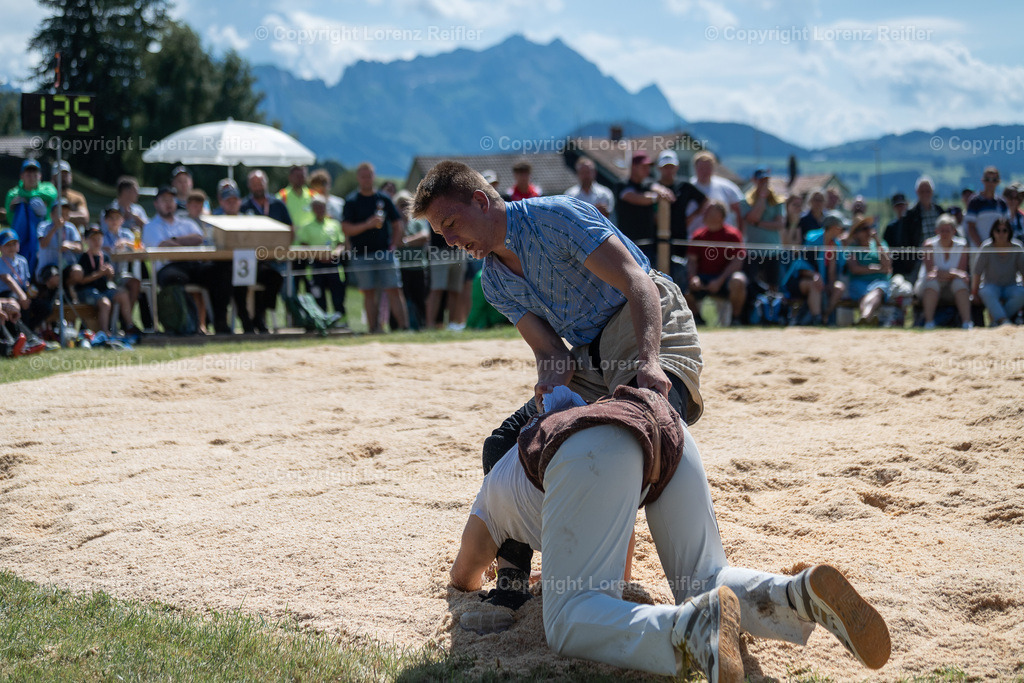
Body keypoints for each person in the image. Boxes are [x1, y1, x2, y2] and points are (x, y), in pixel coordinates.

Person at [450, 385, 891, 680]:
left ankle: (687, 627)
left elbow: (464, 575)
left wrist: (472, 585)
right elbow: (619, 563)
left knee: (567, 620)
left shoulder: (491, 494)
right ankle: (796, 594)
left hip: (594, 450)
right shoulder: (539, 449)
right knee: (704, 577)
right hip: (663, 424)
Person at [413, 160, 704, 607]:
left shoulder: (556, 217)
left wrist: (649, 360)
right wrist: (547, 391)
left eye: (451, 224)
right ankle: (512, 580)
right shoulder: (493, 281)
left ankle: (657, 575)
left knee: (639, 428)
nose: (450, 240)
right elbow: (553, 356)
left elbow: (638, 283)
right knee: (505, 445)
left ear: (480, 199)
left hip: (638, 316)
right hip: (589, 353)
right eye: (440, 233)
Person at [143, 186, 233, 335]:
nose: (168, 203)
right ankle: (185, 324)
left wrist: (174, 240)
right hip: (169, 267)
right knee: (173, 278)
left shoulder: (187, 223)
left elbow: (198, 239)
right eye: (164, 200)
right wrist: (185, 241)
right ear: (156, 204)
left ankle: (220, 323)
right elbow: (162, 245)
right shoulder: (150, 226)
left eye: (171, 200)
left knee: (220, 272)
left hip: (193, 265)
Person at [342, 162, 409, 333]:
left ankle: (404, 328)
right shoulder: (351, 201)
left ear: (374, 176)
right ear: (358, 178)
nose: (366, 179)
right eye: (363, 176)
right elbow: (346, 228)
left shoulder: (383, 199)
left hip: (384, 254)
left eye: (369, 176)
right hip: (361, 254)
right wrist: (367, 225)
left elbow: (397, 224)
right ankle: (373, 329)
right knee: (368, 293)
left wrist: (393, 244)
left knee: (394, 289)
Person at [215, 180, 284, 334]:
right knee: (233, 279)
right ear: (222, 202)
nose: (232, 204)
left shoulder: (249, 220)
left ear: (240, 201)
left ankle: (259, 314)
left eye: (234, 200)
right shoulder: (215, 220)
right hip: (225, 265)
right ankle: (241, 318)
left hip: (250, 262)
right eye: (228, 201)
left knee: (274, 277)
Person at [685, 201, 747, 324]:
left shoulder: (733, 235)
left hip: (725, 279)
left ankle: (736, 319)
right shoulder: (698, 235)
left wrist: (720, 280)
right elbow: (691, 261)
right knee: (681, 283)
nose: (705, 214)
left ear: (720, 215)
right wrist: (693, 277)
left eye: (709, 211)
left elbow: (737, 262)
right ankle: (698, 319)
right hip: (703, 278)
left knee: (738, 280)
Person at [781, 215, 847, 325]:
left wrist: (830, 284)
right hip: (800, 281)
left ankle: (825, 316)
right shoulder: (813, 240)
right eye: (840, 227)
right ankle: (817, 320)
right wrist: (815, 276)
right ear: (832, 227)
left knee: (839, 287)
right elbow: (801, 266)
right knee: (814, 285)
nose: (842, 230)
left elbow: (833, 268)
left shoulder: (835, 244)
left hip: (822, 282)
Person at [295, 194, 347, 320]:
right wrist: (318, 256)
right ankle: (321, 321)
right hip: (316, 266)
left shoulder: (334, 224)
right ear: (313, 209)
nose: (320, 210)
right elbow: (304, 247)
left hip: (333, 265)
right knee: (318, 297)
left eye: (322, 207)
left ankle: (341, 321)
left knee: (338, 296)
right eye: (317, 207)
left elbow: (341, 244)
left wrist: (336, 253)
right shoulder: (307, 227)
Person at [915, 214, 972, 330]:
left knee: (960, 284)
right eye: (942, 230)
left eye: (948, 230)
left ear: (954, 231)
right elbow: (931, 273)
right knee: (932, 284)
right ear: (937, 231)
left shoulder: (962, 245)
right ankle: (929, 322)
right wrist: (954, 274)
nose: (945, 233)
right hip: (928, 286)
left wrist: (942, 273)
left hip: (951, 286)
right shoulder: (928, 245)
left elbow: (962, 272)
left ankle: (967, 323)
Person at [616, 152, 675, 263]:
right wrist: (656, 197)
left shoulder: (648, 183)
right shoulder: (623, 184)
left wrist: (663, 192)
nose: (647, 169)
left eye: (648, 166)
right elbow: (633, 197)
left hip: (649, 244)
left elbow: (658, 188)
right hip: (628, 243)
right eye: (644, 166)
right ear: (634, 167)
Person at [76, 227, 134, 333]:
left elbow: (110, 279)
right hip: (87, 291)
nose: (97, 242)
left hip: (103, 289)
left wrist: (110, 274)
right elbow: (82, 281)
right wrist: (99, 274)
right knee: (105, 303)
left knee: (123, 295)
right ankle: (104, 332)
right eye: (93, 239)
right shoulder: (83, 258)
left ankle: (129, 326)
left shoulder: (105, 257)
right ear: (86, 241)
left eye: (99, 239)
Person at [5, 159, 57, 273]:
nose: (32, 177)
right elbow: (10, 218)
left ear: (40, 176)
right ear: (22, 176)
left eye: (35, 174)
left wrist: (27, 196)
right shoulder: (12, 193)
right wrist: (22, 203)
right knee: (22, 206)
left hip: (41, 232)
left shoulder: (48, 188)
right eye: (28, 174)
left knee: (35, 202)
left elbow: (53, 194)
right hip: (21, 231)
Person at [971, 217, 1024, 326]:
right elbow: (977, 272)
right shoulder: (986, 247)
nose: (1001, 233)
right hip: (991, 285)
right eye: (998, 230)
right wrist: (974, 293)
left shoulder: (1017, 247)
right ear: (992, 232)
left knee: (1021, 293)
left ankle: (998, 320)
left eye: (1005, 230)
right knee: (986, 292)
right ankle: (1004, 321)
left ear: (1009, 232)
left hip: (1011, 285)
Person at [740, 167, 785, 291]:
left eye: (766, 180)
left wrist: (758, 224)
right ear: (754, 181)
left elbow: (779, 224)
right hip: (753, 252)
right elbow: (753, 217)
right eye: (761, 180)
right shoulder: (745, 201)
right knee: (751, 285)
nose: (764, 183)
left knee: (773, 286)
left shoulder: (777, 201)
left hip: (773, 252)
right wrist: (762, 198)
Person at [844, 216, 892, 325]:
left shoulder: (881, 244)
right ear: (856, 234)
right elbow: (855, 269)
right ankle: (867, 319)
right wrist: (877, 269)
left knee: (877, 291)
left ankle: (864, 317)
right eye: (864, 229)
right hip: (859, 282)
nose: (868, 231)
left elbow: (887, 265)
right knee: (866, 296)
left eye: (869, 227)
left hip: (879, 281)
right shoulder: (852, 248)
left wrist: (878, 242)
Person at [34, 199, 84, 299]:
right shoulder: (43, 226)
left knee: (78, 272)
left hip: (65, 266)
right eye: (60, 213)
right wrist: (55, 228)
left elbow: (80, 248)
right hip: (49, 267)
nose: (63, 216)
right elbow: (43, 244)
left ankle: (67, 287)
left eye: (66, 213)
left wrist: (70, 245)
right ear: (52, 215)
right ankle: (51, 295)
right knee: (55, 277)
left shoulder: (71, 228)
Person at [689, 151, 743, 230]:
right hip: (694, 238)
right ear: (695, 168)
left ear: (713, 168)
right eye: (701, 168)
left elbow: (739, 211)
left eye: (708, 168)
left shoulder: (727, 187)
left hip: (722, 239)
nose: (704, 172)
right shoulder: (687, 187)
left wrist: (740, 235)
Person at [965, 167, 1009, 255]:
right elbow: (971, 227)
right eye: (988, 179)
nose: (991, 182)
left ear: (998, 182)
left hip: (997, 251)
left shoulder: (1002, 203)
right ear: (983, 180)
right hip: (978, 251)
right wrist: (983, 248)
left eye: (994, 180)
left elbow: (1006, 226)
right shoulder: (975, 201)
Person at [904, 176, 943, 249]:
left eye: (928, 191)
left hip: (939, 255)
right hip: (919, 255)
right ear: (917, 192)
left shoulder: (940, 211)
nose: (925, 194)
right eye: (922, 191)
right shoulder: (910, 214)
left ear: (932, 192)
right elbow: (906, 239)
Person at [277, 165, 314, 235]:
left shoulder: (313, 196)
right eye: (297, 176)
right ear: (290, 177)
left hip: (308, 242)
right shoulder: (282, 196)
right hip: (288, 240)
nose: (300, 179)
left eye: (302, 176)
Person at [51, 161, 90, 228]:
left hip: (74, 238)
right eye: (60, 175)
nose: (63, 178)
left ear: (71, 177)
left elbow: (84, 218)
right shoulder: (48, 196)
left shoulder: (77, 197)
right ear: (53, 177)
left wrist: (64, 215)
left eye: (66, 175)